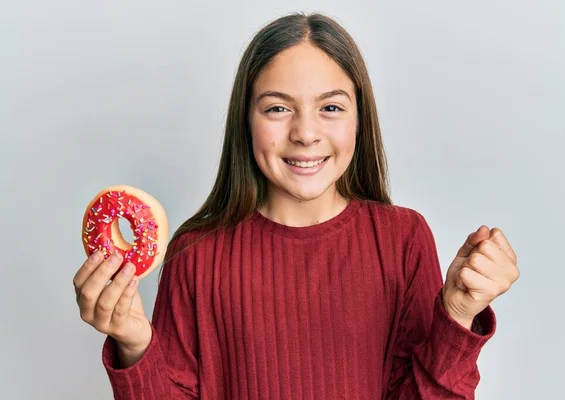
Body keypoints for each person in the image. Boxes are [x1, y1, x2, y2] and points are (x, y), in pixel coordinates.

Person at [73, 12, 519, 400]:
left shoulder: (403, 240)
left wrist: (457, 315)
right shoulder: (196, 252)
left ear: (359, 119)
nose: (306, 133)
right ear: (244, 120)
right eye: (277, 109)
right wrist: (133, 343)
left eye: (330, 107)